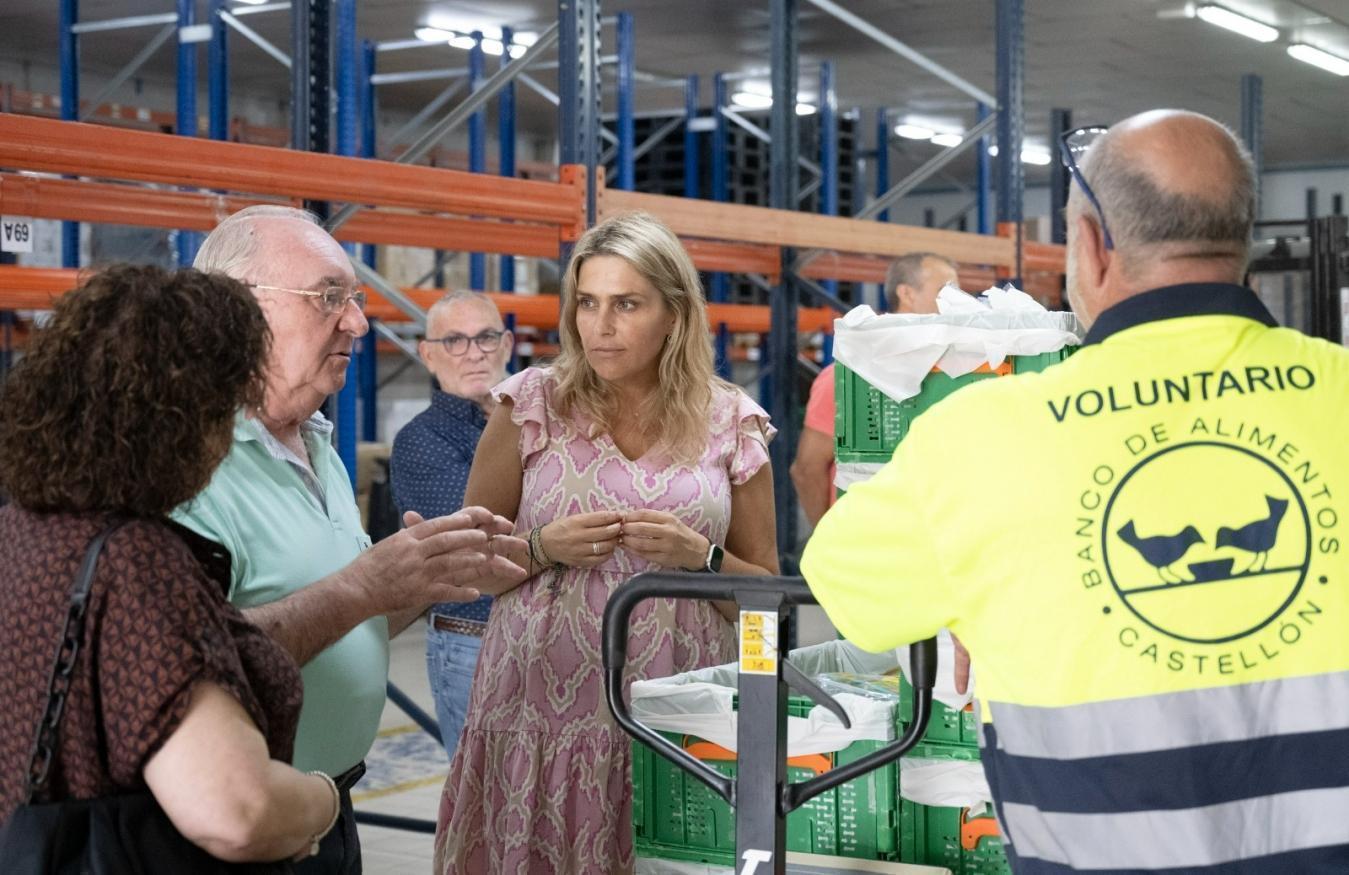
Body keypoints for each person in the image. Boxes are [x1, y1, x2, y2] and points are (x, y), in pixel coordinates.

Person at [802, 109, 1349, 870]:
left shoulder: (977, 441)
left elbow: (843, 582)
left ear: (1091, 248)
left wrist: (983, 580)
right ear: (1242, 239)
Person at [177, 205, 527, 874]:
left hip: (328, 810)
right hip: (241, 834)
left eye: (356, 299)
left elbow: (350, 618)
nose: (358, 322)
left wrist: (414, 584)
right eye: (329, 296)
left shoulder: (317, 443)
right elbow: (189, 660)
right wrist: (361, 584)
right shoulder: (188, 463)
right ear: (237, 309)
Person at [435, 211, 780, 874]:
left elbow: (765, 600)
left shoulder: (731, 422)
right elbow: (467, 565)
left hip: (674, 722)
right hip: (535, 720)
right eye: (587, 303)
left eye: (626, 304)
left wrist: (698, 558)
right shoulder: (531, 404)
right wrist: (541, 546)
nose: (601, 324)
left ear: (673, 314)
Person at [0, 265, 342, 864]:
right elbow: (237, 810)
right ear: (182, 418)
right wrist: (325, 801)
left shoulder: (22, 529)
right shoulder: (133, 564)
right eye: (225, 405)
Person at [389, 291, 514, 757]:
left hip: (539, 636)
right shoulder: (420, 442)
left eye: (484, 337)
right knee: (483, 805)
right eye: (455, 340)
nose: (474, 352)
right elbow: (481, 546)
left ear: (506, 343)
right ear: (428, 353)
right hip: (471, 648)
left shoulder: (533, 421)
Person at [790, 252, 959, 526]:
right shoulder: (846, 377)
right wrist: (830, 540)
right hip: (863, 547)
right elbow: (807, 470)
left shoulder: (954, 375)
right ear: (907, 293)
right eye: (945, 291)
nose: (956, 303)